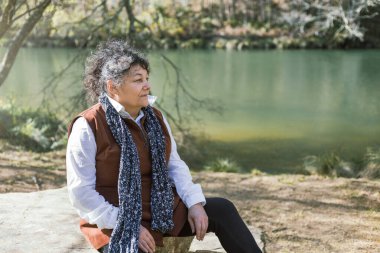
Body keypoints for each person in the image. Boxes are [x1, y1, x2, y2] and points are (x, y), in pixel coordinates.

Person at [66, 40, 262, 253]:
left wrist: (194, 203)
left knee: (222, 209)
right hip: (114, 217)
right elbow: (81, 193)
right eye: (138, 80)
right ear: (113, 87)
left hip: (160, 210)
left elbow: (174, 166)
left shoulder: (155, 117)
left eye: (147, 79)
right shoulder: (88, 125)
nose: (147, 85)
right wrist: (129, 225)